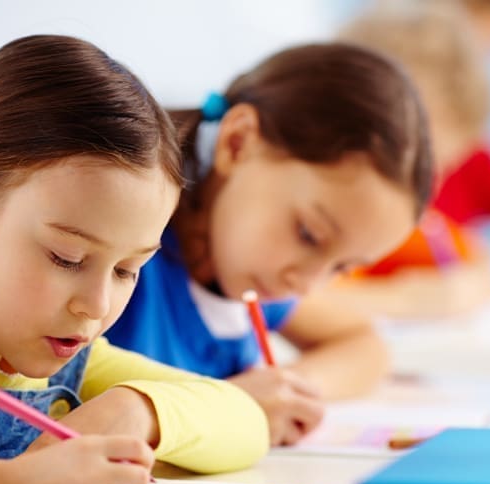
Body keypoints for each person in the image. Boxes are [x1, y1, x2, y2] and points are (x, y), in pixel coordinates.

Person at [0, 35, 269, 484]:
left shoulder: (70, 369)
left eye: (126, 270)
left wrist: (138, 411)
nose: (97, 306)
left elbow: (246, 421)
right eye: (65, 258)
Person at [105, 43, 433, 444]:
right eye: (309, 234)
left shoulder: (245, 263)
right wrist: (231, 404)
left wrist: (289, 387)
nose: (307, 283)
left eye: (341, 267)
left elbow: (364, 346)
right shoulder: (116, 251)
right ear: (238, 143)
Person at [326, 0, 490, 319]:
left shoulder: (421, 229)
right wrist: (407, 301)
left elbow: (484, 259)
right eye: (422, 166)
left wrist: (467, 285)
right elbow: (290, 304)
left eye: (438, 170)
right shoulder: (319, 219)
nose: (426, 190)